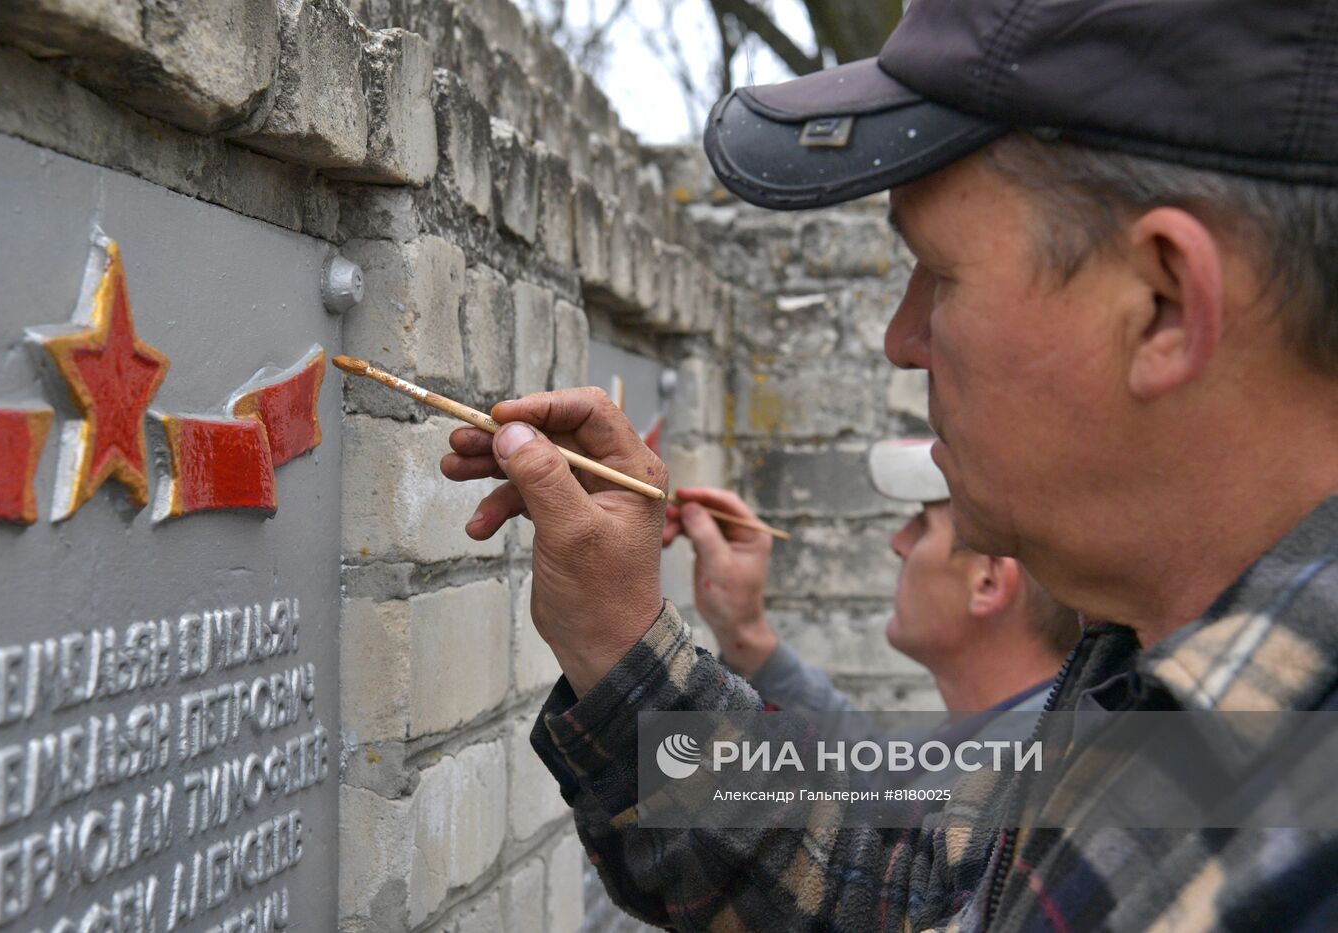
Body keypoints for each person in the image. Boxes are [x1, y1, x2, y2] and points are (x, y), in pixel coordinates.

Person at [439, 0, 1338, 927]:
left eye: (941, 275)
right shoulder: (1148, 690)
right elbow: (896, 890)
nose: (901, 338)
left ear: (1163, 304)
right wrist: (615, 638)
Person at [664, 439, 1078, 718]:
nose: (898, 541)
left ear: (987, 581)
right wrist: (743, 630)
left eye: (922, 524)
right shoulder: (997, 745)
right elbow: (867, 763)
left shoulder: (993, 797)